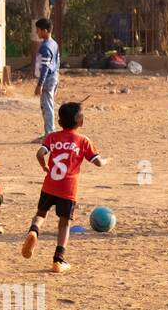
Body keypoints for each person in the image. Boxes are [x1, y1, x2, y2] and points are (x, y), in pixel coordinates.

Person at [21, 101, 107, 273]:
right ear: (81, 121)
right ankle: (58, 260)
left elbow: (39, 153)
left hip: (50, 184)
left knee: (40, 214)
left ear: (59, 122)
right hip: (68, 189)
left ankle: (34, 230)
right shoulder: (83, 140)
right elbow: (97, 162)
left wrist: (44, 166)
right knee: (64, 223)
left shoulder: (52, 136)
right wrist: (105, 161)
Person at [33, 17, 60, 137]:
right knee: (47, 105)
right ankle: (48, 132)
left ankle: (49, 133)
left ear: (45, 31)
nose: (36, 32)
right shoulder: (53, 43)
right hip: (54, 77)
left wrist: (40, 84)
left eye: (38, 30)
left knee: (47, 107)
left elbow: (45, 68)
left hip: (48, 79)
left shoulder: (45, 47)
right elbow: (57, 62)